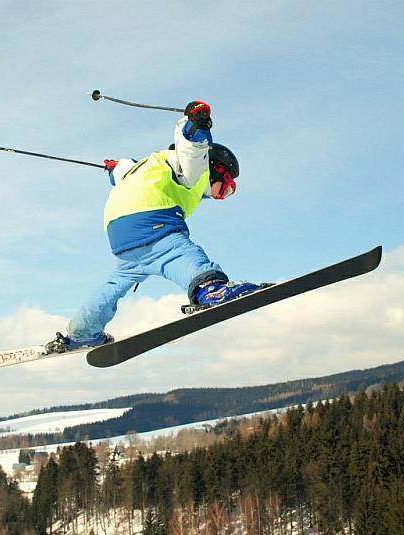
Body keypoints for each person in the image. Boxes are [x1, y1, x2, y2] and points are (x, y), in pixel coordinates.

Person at [47, 101, 263, 352]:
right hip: (151, 219)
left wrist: (114, 170)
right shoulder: (195, 167)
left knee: (117, 283)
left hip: (120, 233)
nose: (220, 196)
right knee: (179, 253)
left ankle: (83, 332)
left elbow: (121, 170)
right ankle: (210, 289)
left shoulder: (147, 165)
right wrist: (196, 126)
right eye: (225, 188)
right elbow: (192, 151)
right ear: (215, 169)